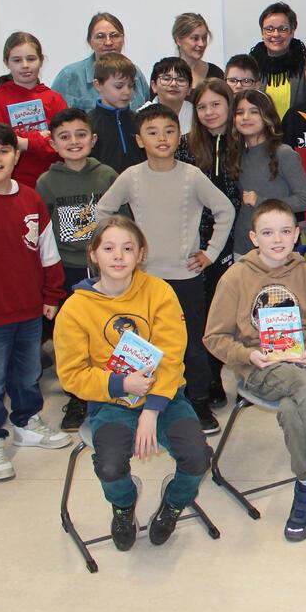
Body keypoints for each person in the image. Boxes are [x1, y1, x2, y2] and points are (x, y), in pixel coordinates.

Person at [204, 199, 306, 540]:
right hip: (260, 365)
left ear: (296, 235)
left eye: (285, 231)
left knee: (294, 408)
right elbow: (214, 338)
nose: (277, 239)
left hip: (304, 360)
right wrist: (248, 355)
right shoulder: (236, 277)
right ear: (253, 237)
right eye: (267, 232)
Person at [53, 216, 212, 549]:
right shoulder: (76, 308)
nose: (118, 256)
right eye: (108, 248)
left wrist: (152, 410)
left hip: (164, 398)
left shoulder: (159, 292)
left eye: (128, 248)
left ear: (140, 254)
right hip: (110, 404)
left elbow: (171, 356)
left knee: (198, 458)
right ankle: (124, 505)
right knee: (110, 467)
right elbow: (72, 373)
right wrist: (121, 385)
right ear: (93, 254)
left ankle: (174, 502)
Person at [96, 104, 235, 435]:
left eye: (170, 131)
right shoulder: (131, 176)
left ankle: (197, 401)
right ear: (139, 139)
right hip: (144, 279)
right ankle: (148, 398)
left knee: (190, 342)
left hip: (185, 277)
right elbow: (103, 210)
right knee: (145, 341)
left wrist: (210, 253)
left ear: (179, 136)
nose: (162, 138)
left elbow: (225, 209)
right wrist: (124, 250)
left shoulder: (191, 175)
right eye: (152, 132)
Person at [0, 121, 71, 482]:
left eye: (3, 150)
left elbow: (48, 251)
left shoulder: (30, 198)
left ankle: (27, 421)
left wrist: (51, 294)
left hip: (29, 309)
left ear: (16, 155)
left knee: (28, 373)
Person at [36, 108, 119, 431]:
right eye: (65, 137)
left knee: (107, 331)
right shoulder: (47, 182)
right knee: (74, 337)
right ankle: (78, 397)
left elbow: (120, 221)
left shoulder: (107, 176)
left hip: (104, 272)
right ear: (54, 143)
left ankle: (112, 388)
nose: (74, 142)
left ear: (93, 139)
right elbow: (44, 234)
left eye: (81, 134)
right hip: (68, 270)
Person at [177, 79, 242, 408]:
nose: (209, 112)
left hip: (233, 242)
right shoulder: (185, 145)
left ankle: (218, 372)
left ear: (229, 107)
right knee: (199, 314)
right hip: (196, 245)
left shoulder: (241, 142)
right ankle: (206, 378)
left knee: (226, 314)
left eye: (216, 105)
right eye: (202, 107)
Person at [228, 89, 306, 257]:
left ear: (267, 117)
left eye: (254, 112)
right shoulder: (235, 155)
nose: (246, 117)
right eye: (240, 112)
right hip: (242, 246)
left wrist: (261, 201)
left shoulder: (284, 153)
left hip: (278, 249)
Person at [0, 31, 67, 188]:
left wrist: (23, 142)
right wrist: (39, 139)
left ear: (41, 60)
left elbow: (63, 144)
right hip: (9, 183)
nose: (25, 65)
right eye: (17, 60)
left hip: (52, 183)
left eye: (31, 59)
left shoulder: (54, 99)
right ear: (7, 63)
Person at [51, 12, 150, 111]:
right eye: (100, 36)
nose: (108, 42)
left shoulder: (136, 73)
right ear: (90, 42)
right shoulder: (69, 76)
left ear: (123, 39)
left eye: (114, 36)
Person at [88, 53, 146, 175]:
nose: (126, 92)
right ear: (98, 85)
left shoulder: (141, 121)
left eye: (131, 86)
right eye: (119, 86)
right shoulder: (87, 124)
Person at [249, 1, 306, 117]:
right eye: (269, 29)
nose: (275, 34)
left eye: (282, 29)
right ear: (262, 32)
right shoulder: (251, 68)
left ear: (292, 32)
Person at [166, 12, 224, 88]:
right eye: (195, 38)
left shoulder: (216, 74)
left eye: (204, 38)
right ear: (178, 40)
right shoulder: (164, 74)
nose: (201, 44)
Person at [143, 57, 193, 132]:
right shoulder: (142, 115)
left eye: (181, 80)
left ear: (189, 88)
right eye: (166, 79)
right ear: (154, 86)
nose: (173, 84)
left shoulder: (197, 114)